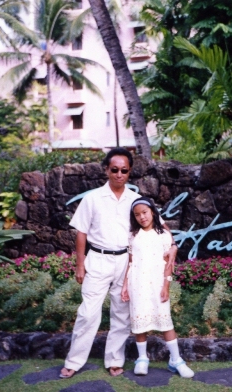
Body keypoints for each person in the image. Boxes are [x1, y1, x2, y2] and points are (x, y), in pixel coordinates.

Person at [60, 148, 177, 379]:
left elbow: (160, 225)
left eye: (124, 170)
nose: (119, 174)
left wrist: (173, 245)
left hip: (126, 262)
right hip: (98, 260)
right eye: (114, 170)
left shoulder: (135, 200)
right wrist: (80, 265)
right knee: (87, 314)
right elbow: (81, 233)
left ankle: (114, 360)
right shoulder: (92, 198)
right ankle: (74, 362)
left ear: (129, 172)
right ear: (106, 170)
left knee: (122, 315)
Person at [121, 196, 194, 378]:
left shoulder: (164, 235)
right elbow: (130, 262)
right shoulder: (132, 236)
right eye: (137, 214)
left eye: (145, 212)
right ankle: (142, 359)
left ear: (153, 212)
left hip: (157, 284)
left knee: (165, 321)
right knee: (139, 322)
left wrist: (166, 286)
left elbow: (168, 264)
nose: (142, 217)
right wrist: (125, 286)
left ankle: (176, 360)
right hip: (137, 284)